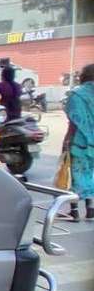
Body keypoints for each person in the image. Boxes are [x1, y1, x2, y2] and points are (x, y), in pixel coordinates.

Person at [63, 63, 94, 221]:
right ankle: (90, 209)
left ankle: (74, 211)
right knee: (90, 174)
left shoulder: (76, 95)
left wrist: (66, 140)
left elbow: (74, 121)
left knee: (76, 175)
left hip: (80, 141)